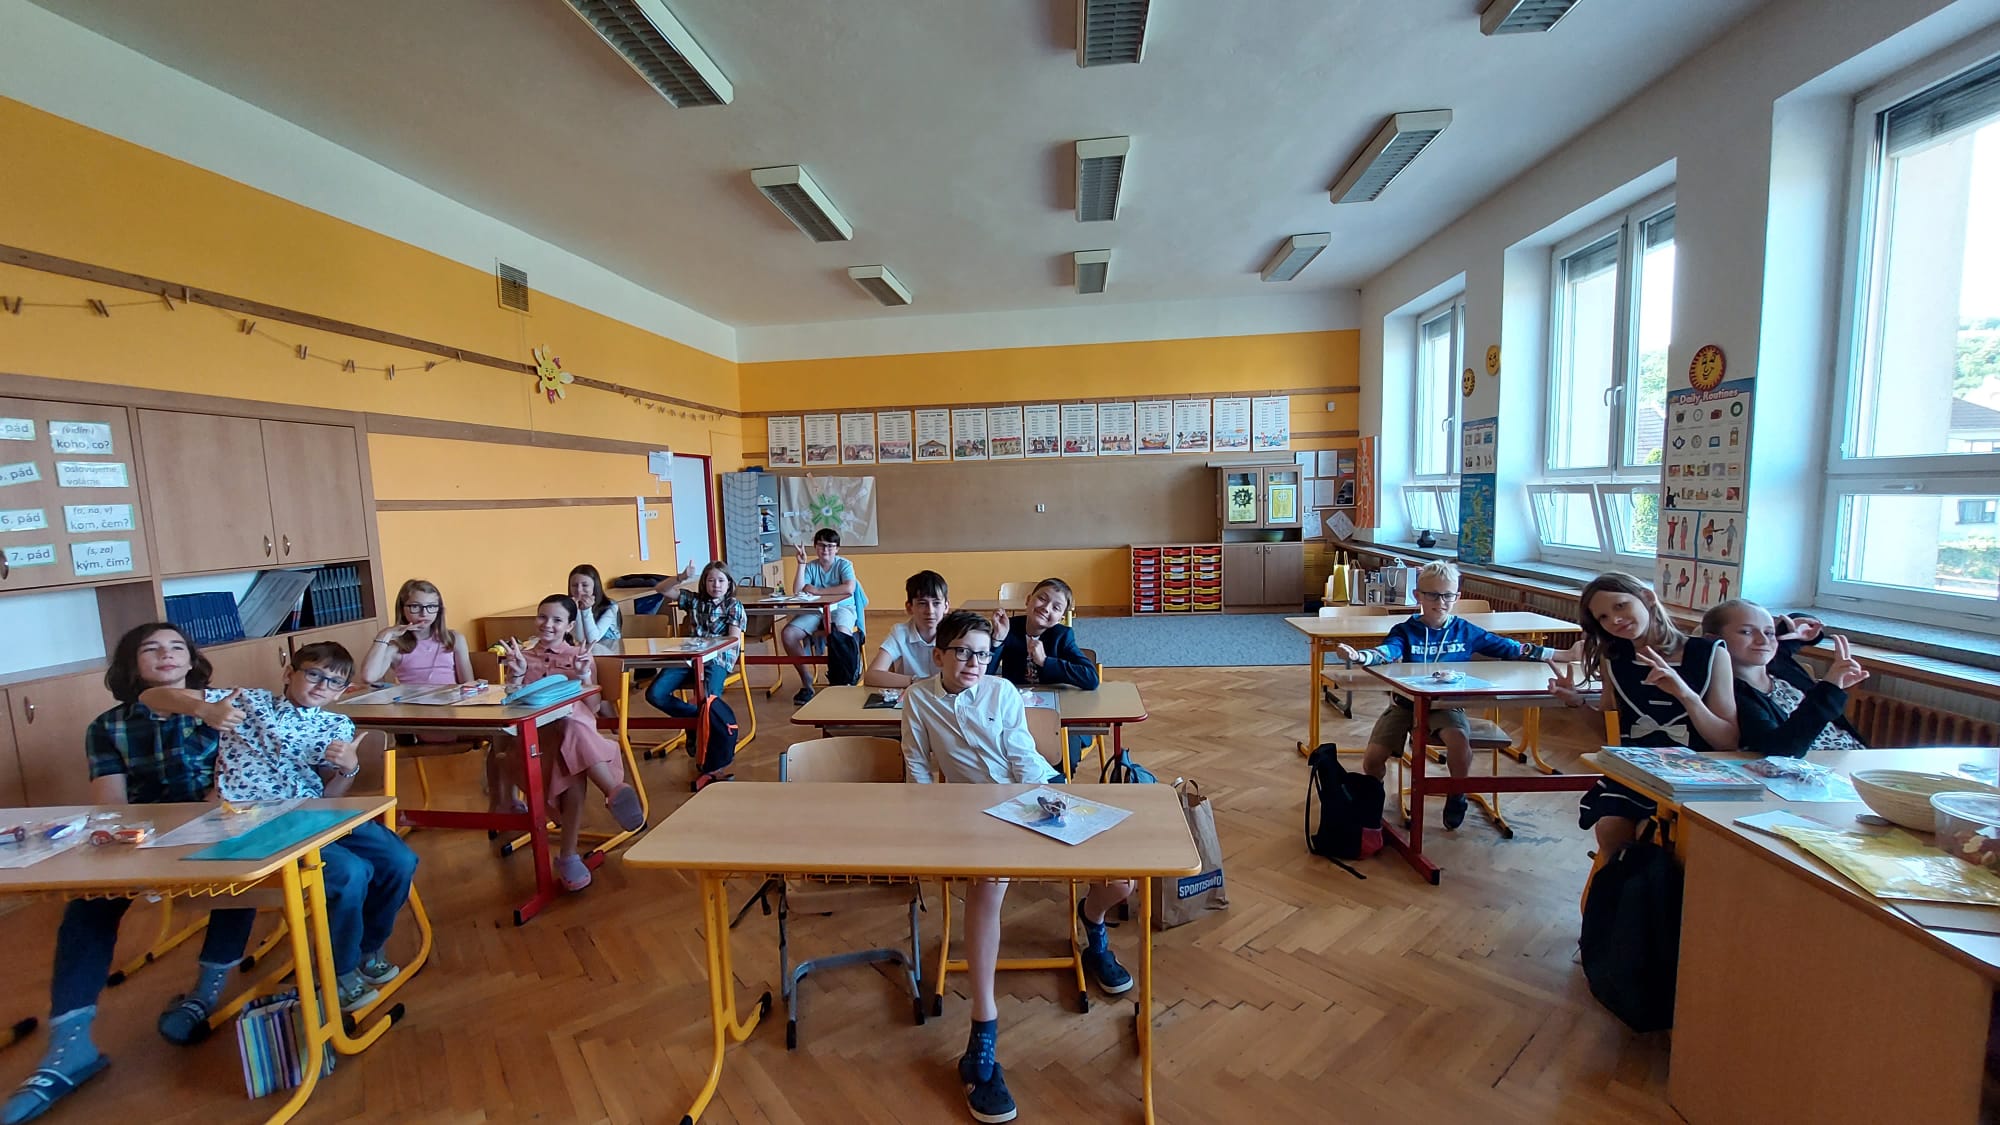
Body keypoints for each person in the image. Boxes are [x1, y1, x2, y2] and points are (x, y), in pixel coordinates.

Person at [2, 625, 261, 1125]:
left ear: (192, 660)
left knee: (238, 878)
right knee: (87, 906)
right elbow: (113, 804)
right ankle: (69, 1045)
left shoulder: (225, 709)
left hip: (216, 828)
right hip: (144, 837)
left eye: (177, 647)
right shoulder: (107, 726)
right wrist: (134, 850)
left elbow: (233, 785)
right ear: (131, 664)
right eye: (151, 649)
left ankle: (204, 994)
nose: (167, 655)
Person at [901, 611, 1134, 1124]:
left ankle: (1092, 921)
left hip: (1029, 794)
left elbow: (1021, 754)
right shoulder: (918, 699)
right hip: (973, 812)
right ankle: (982, 1031)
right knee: (986, 892)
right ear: (938, 655)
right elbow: (917, 764)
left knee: (1121, 880)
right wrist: (926, 815)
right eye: (962, 652)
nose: (973, 662)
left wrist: (1051, 794)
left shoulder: (1001, 691)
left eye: (983, 654)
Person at [135, 641, 418, 1016]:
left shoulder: (336, 725)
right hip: (252, 820)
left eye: (334, 682)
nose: (321, 686)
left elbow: (329, 797)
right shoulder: (248, 702)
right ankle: (339, 971)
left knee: (399, 858)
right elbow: (151, 697)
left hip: (312, 814)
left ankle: (368, 948)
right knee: (349, 872)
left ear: (342, 691)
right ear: (289, 673)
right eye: (313, 674)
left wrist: (348, 769)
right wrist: (205, 709)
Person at [1333, 561, 1566, 830]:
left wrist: (1562, 655)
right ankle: (1374, 797)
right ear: (1418, 596)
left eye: (1447, 595)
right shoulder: (1404, 631)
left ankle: (1457, 792)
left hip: (1447, 705)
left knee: (1459, 743)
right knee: (1373, 758)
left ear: (1457, 597)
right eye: (1432, 595)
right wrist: (1360, 656)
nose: (1440, 602)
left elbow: (1510, 648)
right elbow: (1388, 651)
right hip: (1405, 704)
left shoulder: (1465, 631)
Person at [1550, 572, 1738, 855]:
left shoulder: (1710, 654)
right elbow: (1610, 732)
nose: (1615, 620)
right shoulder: (1614, 658)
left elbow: (1727, 741)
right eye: (1603, 617)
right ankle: (1618, 881)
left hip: (1696, 776)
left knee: (1653, 834)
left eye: (1620, 606)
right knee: (1610, 827)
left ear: (1648, 598)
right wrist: (1577, 703)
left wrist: (1686, 695)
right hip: (1638, 772)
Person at [496, 595, 646, 890]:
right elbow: (510, 708)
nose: (547, 624)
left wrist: (582, 675)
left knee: (571, 734)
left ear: (569, 626)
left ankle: (569, 855)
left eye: (557, 620)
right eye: (542, 617)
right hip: (537, 739)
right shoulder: (522, 656)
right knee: (571, 748)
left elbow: (593, 707)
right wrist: (516, 674)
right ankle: (610, 793)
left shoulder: (580, 654)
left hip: (576, 736)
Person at [1701, 600, 1868, 757]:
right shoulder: (1731, 696)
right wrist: (1829, 689)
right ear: (1713, 640)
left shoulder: (1778, 663)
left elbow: (1794, 629)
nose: (1763, 640)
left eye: (1769, 632)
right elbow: (1781, 750)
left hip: (1857, 755)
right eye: (1746, 632)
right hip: (1816, 766)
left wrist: (1797, 627)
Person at [645, 561, 746, 717]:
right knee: (655, 694)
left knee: (709, 699)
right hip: (688, 656)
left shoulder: (733, 605)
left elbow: (733, 640)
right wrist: (682, 577)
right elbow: (661, 589)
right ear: (704, 583)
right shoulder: (694, 600)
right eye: (711, 580)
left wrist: (709, 651)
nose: (716, 585)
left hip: (717, 659)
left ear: (729, 584)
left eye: (721, 580)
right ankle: (697, 718)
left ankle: (704, 722)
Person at [778, 529, 867, 704]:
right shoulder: (811, 566)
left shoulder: (844, 565)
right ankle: (806, 680)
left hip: (842, 608)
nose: (825, 550)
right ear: (815, 547)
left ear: (837, 549)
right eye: (821, 545)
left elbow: (849, 588)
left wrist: (818, 591)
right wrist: (801, 564)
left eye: (830, 546)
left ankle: (843, 680)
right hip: (816, 610)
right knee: (788, 634)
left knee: (840, 633)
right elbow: (798, 591)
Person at [863, 570, 949, 688]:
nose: (930, 611)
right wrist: (919, 681)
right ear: (909, 607)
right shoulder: (900, 633)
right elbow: (871, 675)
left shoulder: (955, 635)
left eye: (936, 603)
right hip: (911, 695)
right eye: (922, 603)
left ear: (946, 606)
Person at [568, 564, 622, 655]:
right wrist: (576, 610)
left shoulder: (610, 606)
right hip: (584, 653)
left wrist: (586, 610)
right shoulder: (567, 606)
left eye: (585, 585)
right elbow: (581, 639)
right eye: (574, 585)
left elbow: (593, 639)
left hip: (609, 654)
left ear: (595, 587)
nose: (579, 590)